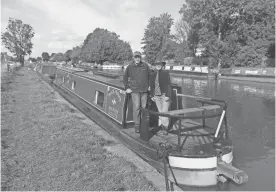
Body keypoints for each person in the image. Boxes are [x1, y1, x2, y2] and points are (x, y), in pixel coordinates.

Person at [123, 51, 151, 133]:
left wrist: (150, 86)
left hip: (144, 91)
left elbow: (150, 76)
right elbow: (125, 78)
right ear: (133, 58)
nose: (137, 58)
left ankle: (144, 124)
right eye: (136, 57)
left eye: (138, 57)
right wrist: (127, 87)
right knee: (137, 107)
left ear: (140, 57)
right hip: (135, 90)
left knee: (144, 108)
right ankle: (137, 125)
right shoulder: (130, 67)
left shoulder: (145, 66)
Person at [149, 60, 172, 135]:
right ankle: (160, 127)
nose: (158, 65)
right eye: (156, 64)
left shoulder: (166, 73)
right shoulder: (153, 74)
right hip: (156, 96)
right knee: (160, 112)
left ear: (162, 65)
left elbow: (168, 84)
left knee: (164, 113)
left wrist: (168, 95)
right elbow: (151, 86)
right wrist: (152, 95)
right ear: (155, 66)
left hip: (164, 95)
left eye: (159, 64)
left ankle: (165, 129)